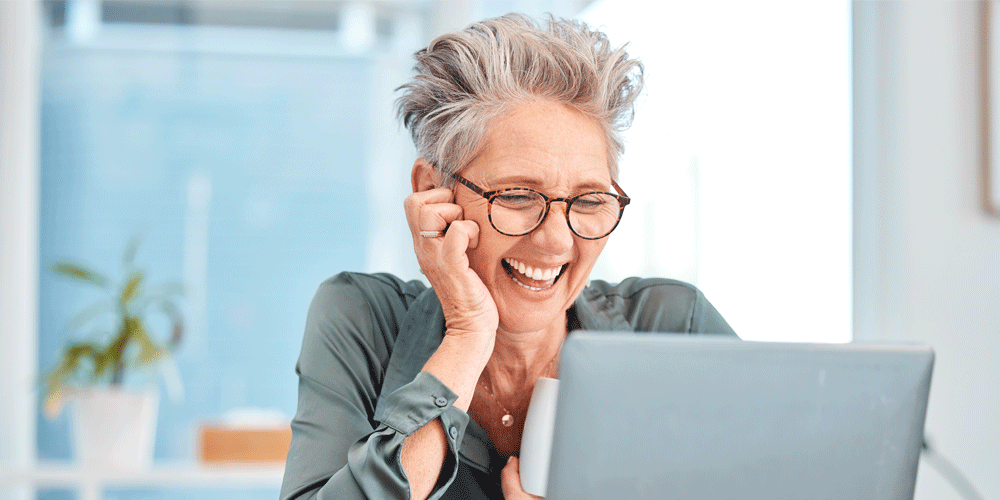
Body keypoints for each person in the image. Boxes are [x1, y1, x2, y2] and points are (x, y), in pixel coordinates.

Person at [279, 13, 736, 500]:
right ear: (433, 193)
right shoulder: (363, 320)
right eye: (517, 196)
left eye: (587, 200)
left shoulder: (672, 330)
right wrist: (467, 336)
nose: (557, 242)